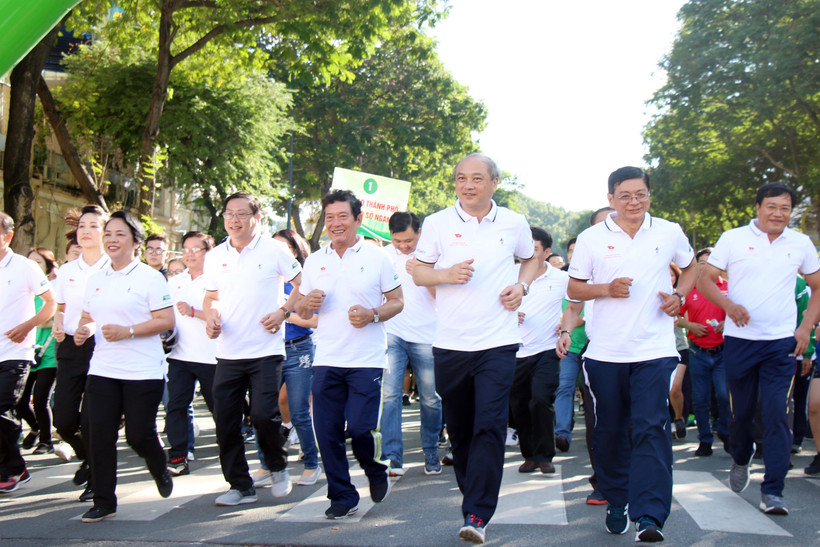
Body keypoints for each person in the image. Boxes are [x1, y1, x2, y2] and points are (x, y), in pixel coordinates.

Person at [412, 153, 538, 544]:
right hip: (451, 344)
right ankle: (473, 501)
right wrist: (445, 275)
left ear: (494, 183)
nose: (468, 185)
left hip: (498, 342)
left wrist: (522, 287)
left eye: (477, 178)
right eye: (461, 178)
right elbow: (417, 271)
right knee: (462, 429)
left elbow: (530, 260)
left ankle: (478, 513)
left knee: (490, 424)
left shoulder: (514, 222)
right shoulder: (437, 223)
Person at [566, 166, 696, 542]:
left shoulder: (669, 231)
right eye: (625, 195)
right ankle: (617, 499)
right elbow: (575, 287)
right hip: (606, 352)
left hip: (654, 349)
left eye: (640, 194)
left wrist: (679, 297)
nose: (634, 201)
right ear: (611, 199)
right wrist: (605, 288)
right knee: (608, 431)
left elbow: (691, 268)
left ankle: (651, 515)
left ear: (649, 195)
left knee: (651, 427)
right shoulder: (592, 238)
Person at [697, 182, 820, 516]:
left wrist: (806, 327)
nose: (778, 213)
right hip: (740, 343)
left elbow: (817, 285)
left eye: (784, 208)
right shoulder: (733, 238)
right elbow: (704, 279)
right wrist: (728, 304)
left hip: (781, 343)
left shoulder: (800, 243)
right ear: (757, 207)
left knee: (776, 415)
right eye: (771, 206)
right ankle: (740, 456)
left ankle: (773, 490)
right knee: (742, 414)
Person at [297, 189, 403, 519]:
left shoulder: (376, 257)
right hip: (326, 358)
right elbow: (301, 307)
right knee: (326, 432)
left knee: (359, 428)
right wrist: (307, 303)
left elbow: (397, 301)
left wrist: (372, 314)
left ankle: (374, 469)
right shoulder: (315, 260)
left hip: (366, 359)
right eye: (329, 217)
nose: (336, 223)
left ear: (358, 219)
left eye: (343, 216)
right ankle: (342, 494)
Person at [73, 211, 175, 522]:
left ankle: (158, 462)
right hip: (103, 368)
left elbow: (167, 321)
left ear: (135, 242)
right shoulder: (97, 279)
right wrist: (84, 331)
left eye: (119, 234)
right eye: (108, 234)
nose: (111, 239)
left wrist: (127, 331)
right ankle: (104, 500)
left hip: (142, 370)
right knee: (98, 434)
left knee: (137, 435)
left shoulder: (149, 277)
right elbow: (89, 318)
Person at [203, 191, 301, 506]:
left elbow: (304, 282)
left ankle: (277, 464)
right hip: (228, 351)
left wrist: (283, 312)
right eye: (230, 213)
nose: (234, 219)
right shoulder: (216, 255)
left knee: (263, 415)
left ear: (255, 218)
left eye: (241, 213)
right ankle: (240, 485)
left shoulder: (274, 250)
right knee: (226, 421)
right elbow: (211, 298)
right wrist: (211, 317)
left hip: (265, 349)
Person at [251, 228, 321, 487]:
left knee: (300, 411)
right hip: (267, 350)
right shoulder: (261, 279)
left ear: (294, 251)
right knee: (265, 413)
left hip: (298, 349)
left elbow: (314, 320)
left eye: (284, 249)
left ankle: (312, 463)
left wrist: (284, 314)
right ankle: (266, 464)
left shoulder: (304, 282)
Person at [51, 205, 110, 501]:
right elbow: (60, 307)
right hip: (70, 347)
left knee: (92, 418)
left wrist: (94, 326)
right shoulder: (67, 269)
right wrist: (58, 324)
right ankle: (88, 457)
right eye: (82, 226)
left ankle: (97, 479)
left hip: (103, 347)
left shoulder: (114, 267)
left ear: (105, 232)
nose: (85, 231)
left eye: (93, 226)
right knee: (62, 419)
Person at [381, 211, 442, 477]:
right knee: (390, 395)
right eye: (398, 241)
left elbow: (444, 297)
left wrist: (422, 272)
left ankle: (431, 451)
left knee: (429, 398)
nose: (404, 246)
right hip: (392, 333)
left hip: (426, 336)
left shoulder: (433, 255)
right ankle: (392, 456)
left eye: (408, 240)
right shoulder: (383, 256)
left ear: (419, 232)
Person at [510, 227, 576, 475]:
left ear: (547, 252)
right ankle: (530, 455)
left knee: (540, 399)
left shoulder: (560, 279)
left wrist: (566, 327)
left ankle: (545, 456)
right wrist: (507, 315)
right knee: (519, 405)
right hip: (515, 351)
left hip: (546, 349)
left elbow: (578, 306)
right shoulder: (508, 274)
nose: (528, 253)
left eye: (534, 249)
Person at [0, 212, 55, 494]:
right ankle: (17, 466)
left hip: (15, 352)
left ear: (7, 236)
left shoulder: (24, 267)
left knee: (1, 408)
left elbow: (50, 304)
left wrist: (27, 326)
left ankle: (10, 468)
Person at [165, 231, 218, 476]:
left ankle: (232, 448)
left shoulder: (217, 280)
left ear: (209, 252)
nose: (189, 253)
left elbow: (225, 315)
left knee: (219, 408)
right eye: (185, 248)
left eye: (196, 249)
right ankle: (178, 455)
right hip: (179, 356)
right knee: (176, 405)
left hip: (211, 357)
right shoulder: (175, 281)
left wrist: (193, 311)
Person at [677, 247, 730, 457]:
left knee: (724, 396)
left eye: (711, 262)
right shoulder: (690, 289)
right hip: (698, 352)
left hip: (723, 352)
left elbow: (741, 311)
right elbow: (675, 317)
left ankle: (725, 433)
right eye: (702, 262)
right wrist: (689, 325)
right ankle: (705, 440)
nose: (706, 266)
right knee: (700, 400)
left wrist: (728, 322)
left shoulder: (727, 287)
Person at [16, 247, 59, 454]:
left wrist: (45, 320)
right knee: (20, 402)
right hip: (25, 352)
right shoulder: (23, 290)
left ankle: (46, 440)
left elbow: (57, 317)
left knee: (41, 399)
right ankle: (34, 429)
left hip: (49, 355)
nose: (33, 266)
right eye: (30, 261)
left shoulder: (54, 290)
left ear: (49, 268)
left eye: (39, 262)